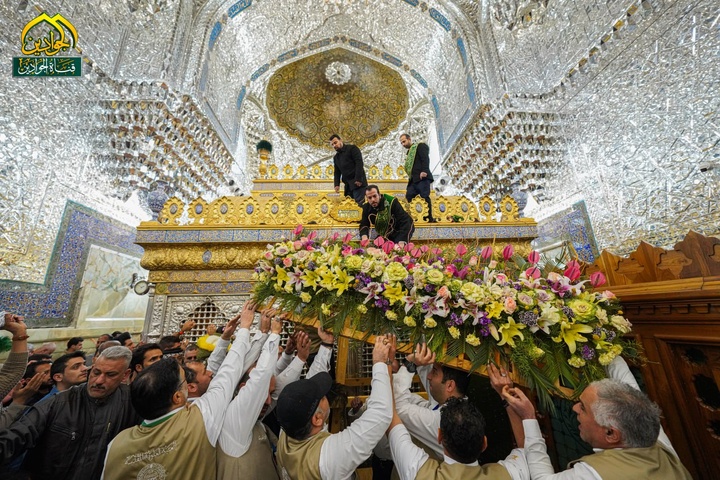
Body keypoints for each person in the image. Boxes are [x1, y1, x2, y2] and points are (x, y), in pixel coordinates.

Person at [101, 302, 257, 480]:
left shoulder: (116, 444)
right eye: (184, 379)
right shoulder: (200, 420)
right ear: (177, 397)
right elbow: (227, 374)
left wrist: (224, 338)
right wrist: (245, 327)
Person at [502, 357, 693, 479]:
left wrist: (528, 417)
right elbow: (625, 379)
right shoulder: (657, 442)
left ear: (611, 433)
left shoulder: (594, 475)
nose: (575, 408)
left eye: (583, 408)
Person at [0, 346, 139, 480]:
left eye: (110, 375)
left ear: (125, 375)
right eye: (96, 372)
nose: (99, 381)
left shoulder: (134, 404)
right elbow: (14, 438)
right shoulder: (57, 404)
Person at [275, 334, 395, 480]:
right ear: (317, 418)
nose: (326, 396)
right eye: (323, 396)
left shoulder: (287, 430)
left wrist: (326, 344)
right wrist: (380, 362)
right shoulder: (328, 457)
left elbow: (308, 386)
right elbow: (380, 413)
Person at [388, 394, 529, 480]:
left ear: (439, 437)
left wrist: (385, 362)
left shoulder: (418, 471)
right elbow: (524, 447)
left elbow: (391, 415)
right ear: (484, 443)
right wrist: (506, 395)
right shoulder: (508, 474)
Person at [216, 309, 285, 478]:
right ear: (242, 388)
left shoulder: (256, 422)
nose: (269, 401)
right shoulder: (235, 420)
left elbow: (240, 368)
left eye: (271, 393)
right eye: (263, 394)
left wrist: (263, 333)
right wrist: (274, 334)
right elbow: (258, 377)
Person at [393, 343, 468, 459]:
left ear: (450, 386)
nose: (429, 376)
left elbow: (398, 406)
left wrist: (409, 362)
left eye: (434, 372)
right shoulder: (456, 405)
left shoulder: (442, 419)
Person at [400, 133, 435, 222]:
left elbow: (425, 159)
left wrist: (424, 171)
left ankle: (428, 218)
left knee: (424, 196)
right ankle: (414, 217)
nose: (403, 144)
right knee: (409, 197)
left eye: (404, 141)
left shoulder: (420, 146)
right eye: (401, 143)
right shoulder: (409, 154)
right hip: (413, 180)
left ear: (409, 139)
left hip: (422, 177)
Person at [331, 134, 368, 206]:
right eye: (332, 144)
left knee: (358, 207)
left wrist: (358, 179)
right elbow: (337, 172)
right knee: (349, 207)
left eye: (335, 142)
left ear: (341, 140)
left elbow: (359, 163)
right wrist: (336, 184)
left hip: (358, 184)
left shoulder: (352, 149)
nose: (334, 145)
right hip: (348, 186)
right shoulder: (336, 157)